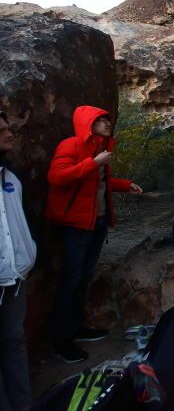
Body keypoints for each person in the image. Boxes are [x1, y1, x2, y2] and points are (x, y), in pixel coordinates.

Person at [45, 106, 142, 363]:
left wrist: (124, 185)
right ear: (88, 123)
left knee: (83, 277)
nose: (107, 123)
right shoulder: (71, 146)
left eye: (107, 120)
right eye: (101, 120)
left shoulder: (100, 148)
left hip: (96, 222)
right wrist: (92, 163)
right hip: (77, 226)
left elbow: (98, 184)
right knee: (71, 280)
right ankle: (61, 340)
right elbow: (56, 177)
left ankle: (76, 328)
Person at [0, 111, 37, 411]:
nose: (9, 134)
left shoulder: (11, 176)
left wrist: (28, 252)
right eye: (1, 131)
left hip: (13, 278)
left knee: (14, 343)